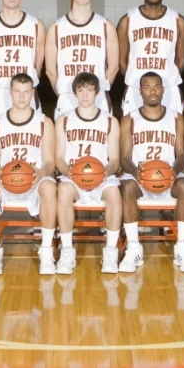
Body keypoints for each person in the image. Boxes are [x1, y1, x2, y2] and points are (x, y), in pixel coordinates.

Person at [0, 73, 56, 275]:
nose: (22, 97)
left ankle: (46, 251)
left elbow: (49, 162)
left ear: (32, 93)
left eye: (26, 92)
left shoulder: (44, 122)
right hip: (5, 180)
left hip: (34, 180)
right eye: (17, 92)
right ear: (10, 93)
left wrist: (41, 173)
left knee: (49, 186)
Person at [118, 72, 184, 273]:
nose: (152, 91)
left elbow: (182, 154)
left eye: (156, 86)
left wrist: (174, 171)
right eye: (147, 87)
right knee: (126, 187)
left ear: (163, 90)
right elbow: (124, 157)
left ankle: (183, 248)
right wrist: (136, 171)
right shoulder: (129, 119)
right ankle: (134, 248)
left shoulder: (176, 118)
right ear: (140, 91)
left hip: (169, 177)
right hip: (141, 177)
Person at [56, 73, 122, 274]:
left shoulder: (110, 121)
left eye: (90, 90)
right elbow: (59, 157)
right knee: (64, 190)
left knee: (114, 193)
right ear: (75, 93)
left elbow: (115, 160)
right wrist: (67, 171)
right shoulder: (63, 120)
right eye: (81, 90)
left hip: (101, 175)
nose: (85, 95)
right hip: (74, 176)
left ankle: (110, 251)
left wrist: (105, 172)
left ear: (97, 92)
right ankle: (67, 251)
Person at [46, 0, 119, 119]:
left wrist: (99, 90)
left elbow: (114, 67)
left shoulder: (106, 26)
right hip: (67, 95)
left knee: (101, 141)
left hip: (97, 96)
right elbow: (50, 70)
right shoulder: (56, 27)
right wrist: (63, 91)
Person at [118, 0, 184, 115]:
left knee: (171, 133)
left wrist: (167, 79)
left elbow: (182, 59)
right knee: (134, 132)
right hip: (136, 87)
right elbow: (121, 59)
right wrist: (135, 81)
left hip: (168, 87)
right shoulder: (128, 20)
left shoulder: (178, 20)